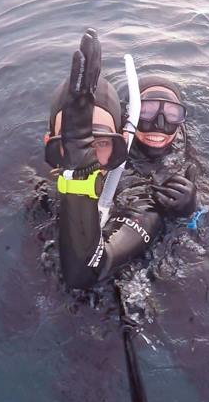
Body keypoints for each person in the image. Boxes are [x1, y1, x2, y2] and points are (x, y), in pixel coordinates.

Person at [44, 29, 197, 290]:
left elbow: (85, 273)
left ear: (120, 143)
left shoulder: (145, 196)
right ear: (48, 145)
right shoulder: (33, 186)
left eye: (100, 142)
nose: (87, 156)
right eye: (70, 144)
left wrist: (192, 213)